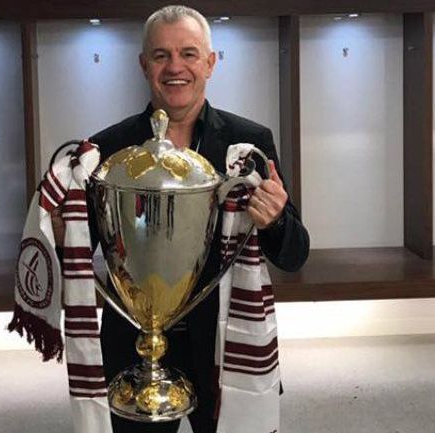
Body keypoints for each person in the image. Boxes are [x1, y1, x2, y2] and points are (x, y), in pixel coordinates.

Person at [89, 5, 310, 433]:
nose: (176, 67)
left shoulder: (249, 146)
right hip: (134, 350)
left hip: (224, 346)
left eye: (189, 54)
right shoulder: (108, 148)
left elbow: (295, 255)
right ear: (143, 65)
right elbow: (82, 250)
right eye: (161, 55)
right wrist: (60, 228)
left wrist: (276, 220)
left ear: (211, 63)